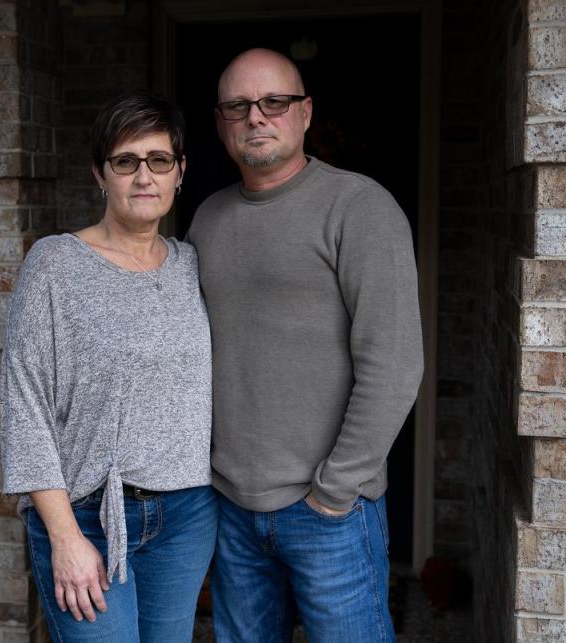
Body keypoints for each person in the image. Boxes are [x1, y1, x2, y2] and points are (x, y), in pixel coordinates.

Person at [187, 48, 424, 642]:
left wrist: (335, 491)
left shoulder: (359, 207)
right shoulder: (206, 221)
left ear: (305, 112)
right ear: (220, 122)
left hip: (329, 513)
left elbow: (393, 363)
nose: (256, 118)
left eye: (274, 102)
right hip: (233, 508)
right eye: (237, 106)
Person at [0, 92, 215, 642]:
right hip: (87, 517)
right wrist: (64, 536)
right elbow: (24, 405)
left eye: (158, 160)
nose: (144, 176)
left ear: (179, 172)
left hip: (186, 515)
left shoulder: (191, 264)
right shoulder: (55, 264)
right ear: (101, 174)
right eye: (126, 161)